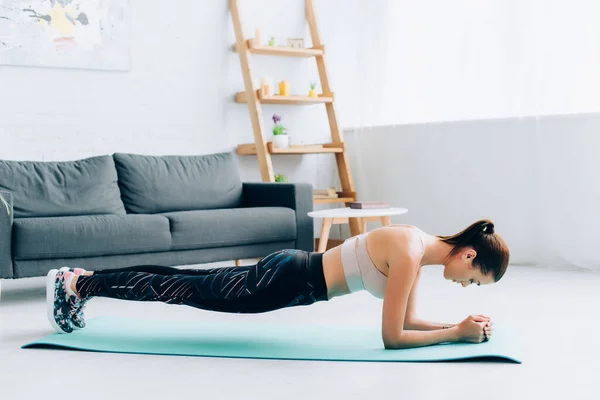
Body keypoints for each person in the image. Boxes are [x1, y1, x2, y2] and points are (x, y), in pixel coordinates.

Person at [46, 218, 509, 349]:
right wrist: (456, 334)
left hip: (288, 275)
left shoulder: (417, 250)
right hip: (283, 282)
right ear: (469, 256)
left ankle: (83, 282)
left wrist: (458, 326)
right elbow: (392, 339)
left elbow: (408, 321)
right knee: (182, 290)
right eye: (475, 280)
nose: (467, 286)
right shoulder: (409, 253)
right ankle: (79, 285)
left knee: (187, 284)